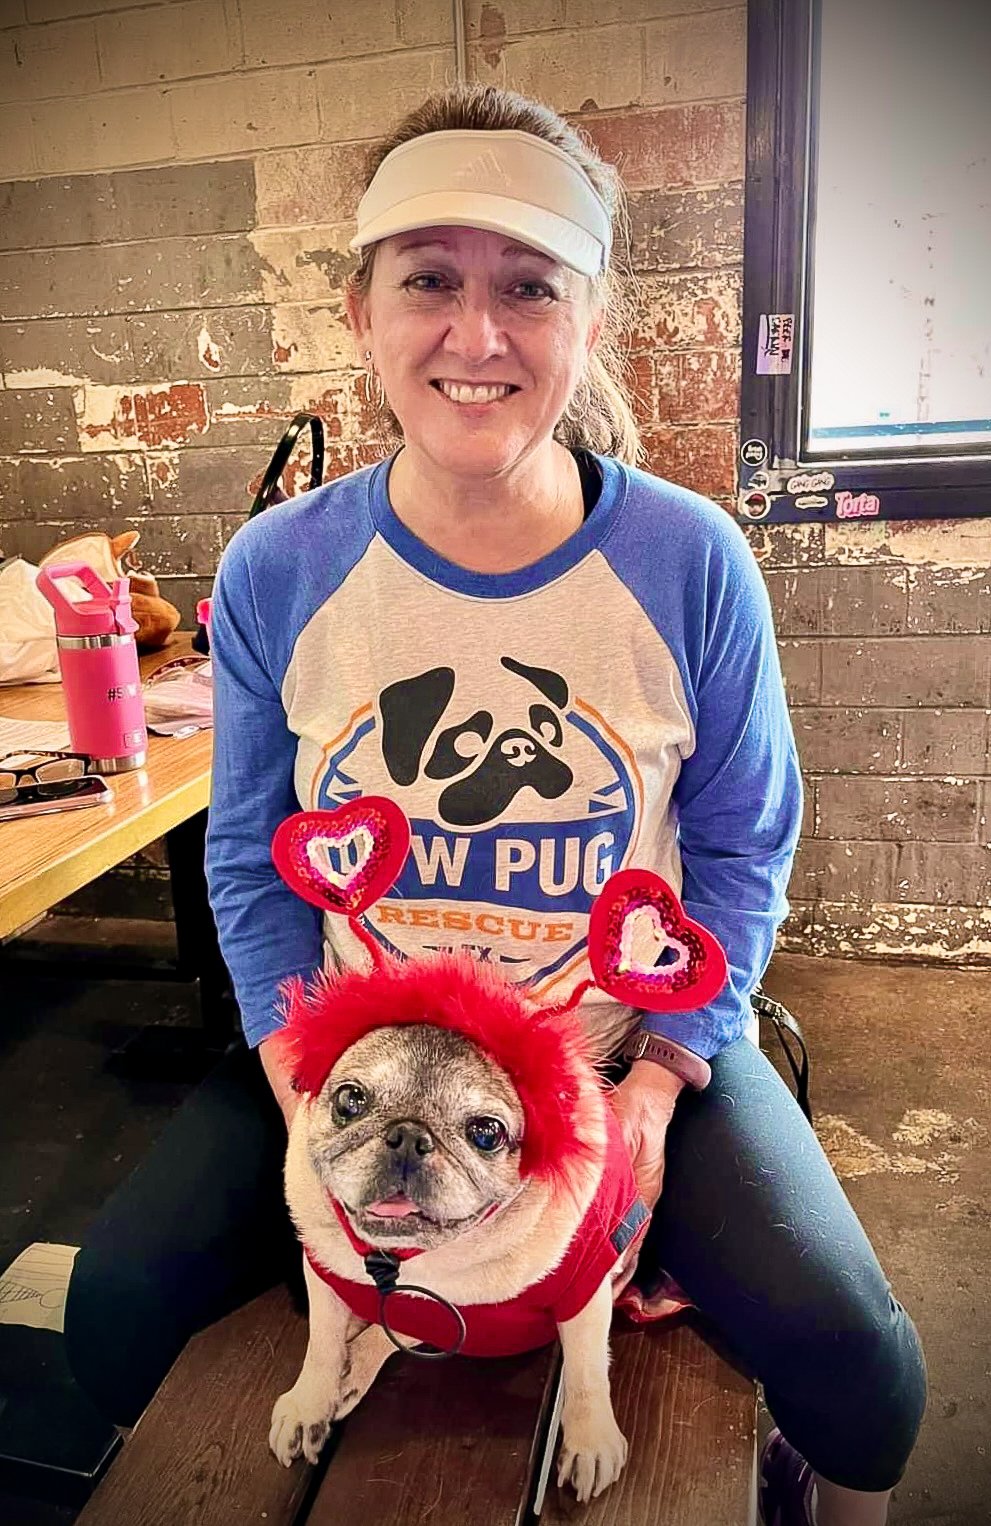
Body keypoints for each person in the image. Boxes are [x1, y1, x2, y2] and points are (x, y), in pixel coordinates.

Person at [64, 84, 925, 1525]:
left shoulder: (688, 560)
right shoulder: (281, 567)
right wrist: (295, 1074)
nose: (478, 335)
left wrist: (657, 1085)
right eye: (430, 283)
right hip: (356, 1058)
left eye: (529, 285)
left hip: (610, 1050)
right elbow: (248, 848)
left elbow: (740, 845)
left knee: (862, 1370)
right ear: (361, 312)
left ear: (589, 318)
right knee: (115, 1313)